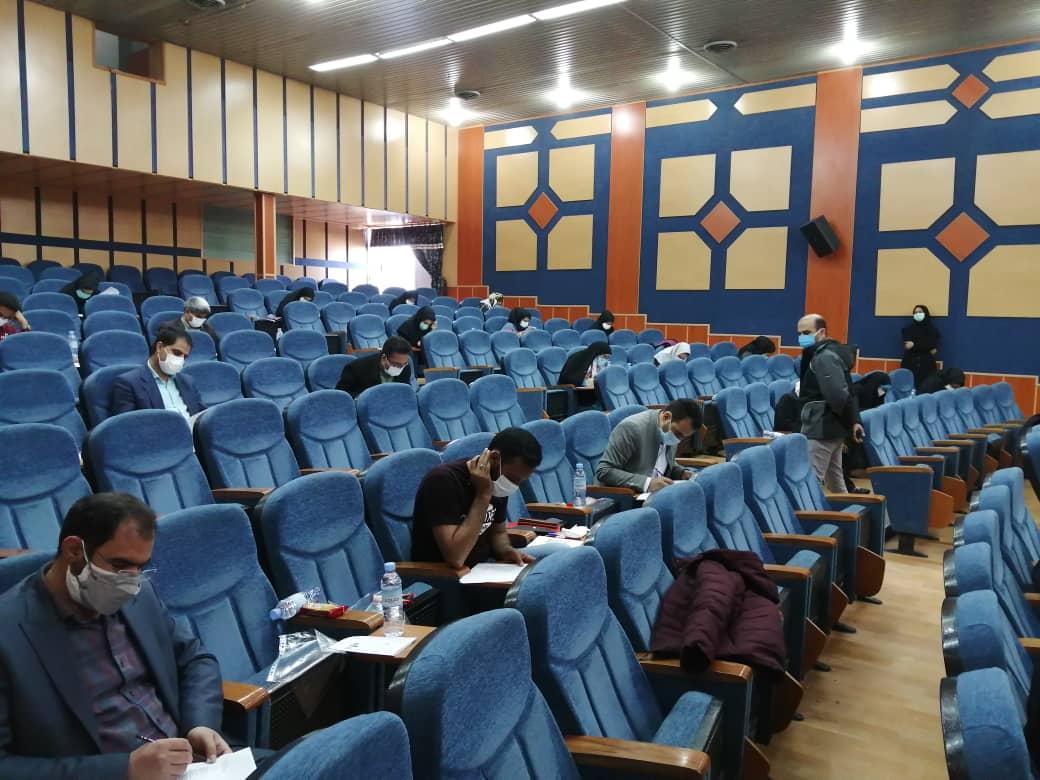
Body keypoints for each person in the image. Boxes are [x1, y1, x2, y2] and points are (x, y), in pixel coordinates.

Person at [0, 492, 230, 778]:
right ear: (74, 551)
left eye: (140, 568)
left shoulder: (140, 594)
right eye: (120, 566)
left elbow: (195, 659)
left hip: (193, 764)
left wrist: (200, 724)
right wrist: (124, 769)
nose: (131, 583)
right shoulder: (9, 634)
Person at [412, 428, 542, 569]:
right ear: (494, 459)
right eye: (513, 479)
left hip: (485, 567)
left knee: (551, 560)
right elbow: (456, 558)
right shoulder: (443, 481)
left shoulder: (498, 479)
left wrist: (506, 550)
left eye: (520, 481)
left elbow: (498, 533)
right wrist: (483, 495)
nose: (514, 486)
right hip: (449, 576)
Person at [796, 313, 863, 493]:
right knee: (835, 480)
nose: (801, 337)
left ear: (821, 332)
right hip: (831, 426)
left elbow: (838, 395)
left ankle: (811, 511)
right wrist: (852, 421)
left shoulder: (824, 357)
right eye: (799, 333)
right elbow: (848, 391)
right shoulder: (831, 353)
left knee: (811, 482)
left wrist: (850, 421)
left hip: (822, 426)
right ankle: (845, 509)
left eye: (806, 332)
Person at [597, 399, 702, 492]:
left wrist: (681, 473)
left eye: (684, 437)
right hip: (624, 495)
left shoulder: (669, 428)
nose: (679, 440)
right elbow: (604, 470)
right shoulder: (632, 428)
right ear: (666, 417)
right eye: (678, 434)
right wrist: (647, 483)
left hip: (655, 494)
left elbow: (661, 464)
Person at [110, 326, 205, 419]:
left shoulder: (188, 381)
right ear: (159, 347)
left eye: (185, 357)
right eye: (176, 353)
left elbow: (202, 416)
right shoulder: (128, 383)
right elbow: (127, 424)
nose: (181, 360)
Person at [335, 336, 413, 397]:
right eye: (396, 364)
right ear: (384, 357)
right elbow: (342, 396)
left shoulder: (405, 368)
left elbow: (404, 393)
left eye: (403, 364)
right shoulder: (356, 368)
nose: (400, 368)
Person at [900, 304, 940, 389]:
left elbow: (931, 344)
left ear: (925, 313)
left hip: (927, 366)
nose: (917, 314)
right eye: (915, 312)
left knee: (926, 388)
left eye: (920, 312)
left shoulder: (932, 330)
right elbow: (908, 345)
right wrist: (925, 346)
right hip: (910, 363)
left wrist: (914, 344)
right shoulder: (908, 329)